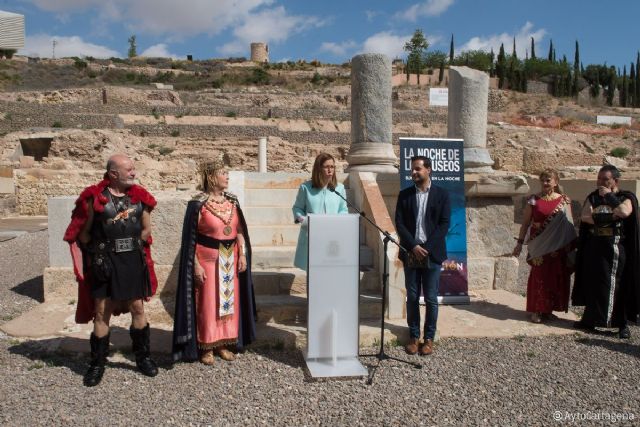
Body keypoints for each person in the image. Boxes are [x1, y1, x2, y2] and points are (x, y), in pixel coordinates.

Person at [63, 153, 159, 387]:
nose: (134, 173)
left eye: (134, 168)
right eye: (129, 169)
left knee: (137, 307)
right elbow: (82, 234)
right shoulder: (94, 198)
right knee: (101, 310)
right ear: (113, 174)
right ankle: (97, 364)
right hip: (104, 263)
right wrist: (100, 255)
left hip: (132, 262)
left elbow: (146, 230)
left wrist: (129, 248)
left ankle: (143, 357)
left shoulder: (140, 198)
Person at [172, 159, 256, 364]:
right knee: (208, 303)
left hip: (231, 258)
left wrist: (243, 254)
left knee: (228, 303)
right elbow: (189, 240)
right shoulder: (198, 204)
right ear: (211, 177)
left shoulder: (232, 201)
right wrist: (196, 264)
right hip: (207, 258)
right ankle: (206, 346)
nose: (227, 176)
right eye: (223, 173)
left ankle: (223, 344)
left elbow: (239, 231)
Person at [572, 165, 640, 339]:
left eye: (605, 179)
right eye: (599, 178)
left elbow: (624, 212)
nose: (600, 182)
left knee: (617, 284)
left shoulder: (626, 197)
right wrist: (608, 217)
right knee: (594, 281)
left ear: (615, 181)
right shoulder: (593, 197)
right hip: (595, 246)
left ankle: (621, 324)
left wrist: (609, 197)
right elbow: (585, 216)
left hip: (616, 247)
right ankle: (591, 320)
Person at [395, 155, 450, 356]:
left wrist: (425, 247)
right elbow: (399, 222)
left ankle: (428, 339)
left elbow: (444, 224)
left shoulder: (442, 195)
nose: (414, 172)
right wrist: (414, 246)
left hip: (432, 254)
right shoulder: (405, 195)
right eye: (412, 169)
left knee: (431, 298)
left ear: (428, 170)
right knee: (411, 296)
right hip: (411, 253)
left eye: (418, 169)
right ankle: (413, 336)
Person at [512, 169, 577, 323]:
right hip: (538, 246)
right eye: (543, 180)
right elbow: (525, 223)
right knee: (539, 277)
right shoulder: (533, 200)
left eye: (548, 180)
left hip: (557, 247)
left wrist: (569, 246)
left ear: (556, 182)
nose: (545, 183)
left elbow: (569, 225)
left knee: (554, 278)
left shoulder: (564, 200)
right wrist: (519, 243)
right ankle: (537, 310)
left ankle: (548, 310)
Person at [292, 153, 348, 270]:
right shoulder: (305, 188)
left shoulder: (339, 188)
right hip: (312, 236)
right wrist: (304, 221)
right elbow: (297, 208)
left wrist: (338, 221)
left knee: (330, 271)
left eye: (332, 167)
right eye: (326, 167)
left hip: (332, 237)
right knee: (314, 273)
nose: (330, 170)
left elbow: (343, 209)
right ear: (318, 168)